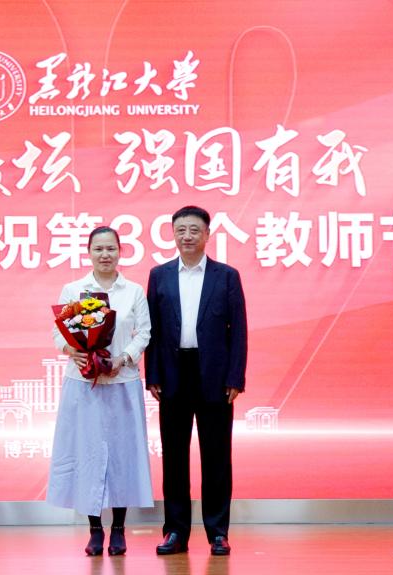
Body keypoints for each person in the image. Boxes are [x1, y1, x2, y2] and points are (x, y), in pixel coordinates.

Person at [145, 205, 248, 556]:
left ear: (207, 234)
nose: (187, 236)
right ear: (173, 234)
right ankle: (175, 531)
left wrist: (235, 376)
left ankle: (218, 532)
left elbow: (239, 330)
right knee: (174, 457)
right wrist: (153, 374)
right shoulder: (159, 275)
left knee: (217, 456)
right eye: (181, 230)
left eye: (194, 230)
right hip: (173, 375)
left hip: (215, 377)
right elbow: (153, 330)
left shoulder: (226, 276)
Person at [47, 225, 153, 556]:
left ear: (120, 251)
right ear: (89, 253)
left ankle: (119, 529)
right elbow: (59, 333)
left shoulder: (133, 291)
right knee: (88, 456)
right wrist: (72, 351)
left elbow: (144, 332)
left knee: (122, 457)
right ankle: (95, 530)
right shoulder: (74, 290)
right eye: (98, 249)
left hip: (122, 383)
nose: (105, 255)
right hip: (84, 385)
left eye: (111, 249)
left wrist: (124, 357)